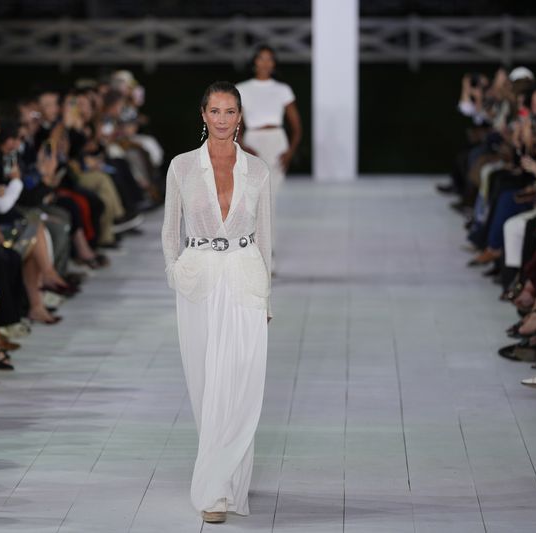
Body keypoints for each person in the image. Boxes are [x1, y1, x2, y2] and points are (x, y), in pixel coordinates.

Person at [161, 81, 272, 523]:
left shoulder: (258, 170)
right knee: (207, 384)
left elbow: (265, 236)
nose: (223, 119)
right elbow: (171, 229)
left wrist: (267, 298)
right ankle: (220, 480)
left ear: (240, 116)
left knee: (242, 382)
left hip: (245, 277)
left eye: (230, 111)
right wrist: (176, 272)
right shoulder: (182, 167)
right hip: (200, 281)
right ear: (203, 115)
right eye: (215, 111)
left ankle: (217, 487)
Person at [237, 45, 302, 237]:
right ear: (254, 62)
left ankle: (267, 252)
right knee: (254, 197)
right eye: (261, 58)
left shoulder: (282, 90)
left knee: (269, 198)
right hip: (252, 142)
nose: (265, 63)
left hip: (276, 141)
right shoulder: (242, 89)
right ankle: (256, 246)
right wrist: (241, 145)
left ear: (274, 64)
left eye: (270, 59)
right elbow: (234, 123)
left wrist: (290, 151)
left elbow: (297, 126)